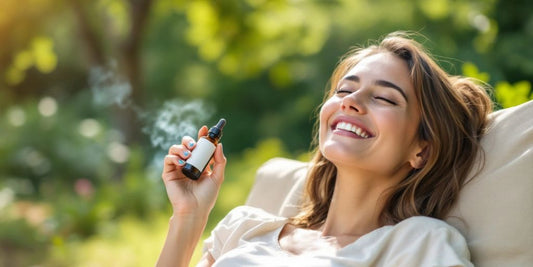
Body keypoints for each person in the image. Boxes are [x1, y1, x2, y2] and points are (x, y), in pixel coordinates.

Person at [156, 32, 493, 267]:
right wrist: (189, 216)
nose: (352, 103)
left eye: (385, 98)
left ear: (422, 150)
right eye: (345, 90)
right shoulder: (244, 227)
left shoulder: (420, 243)